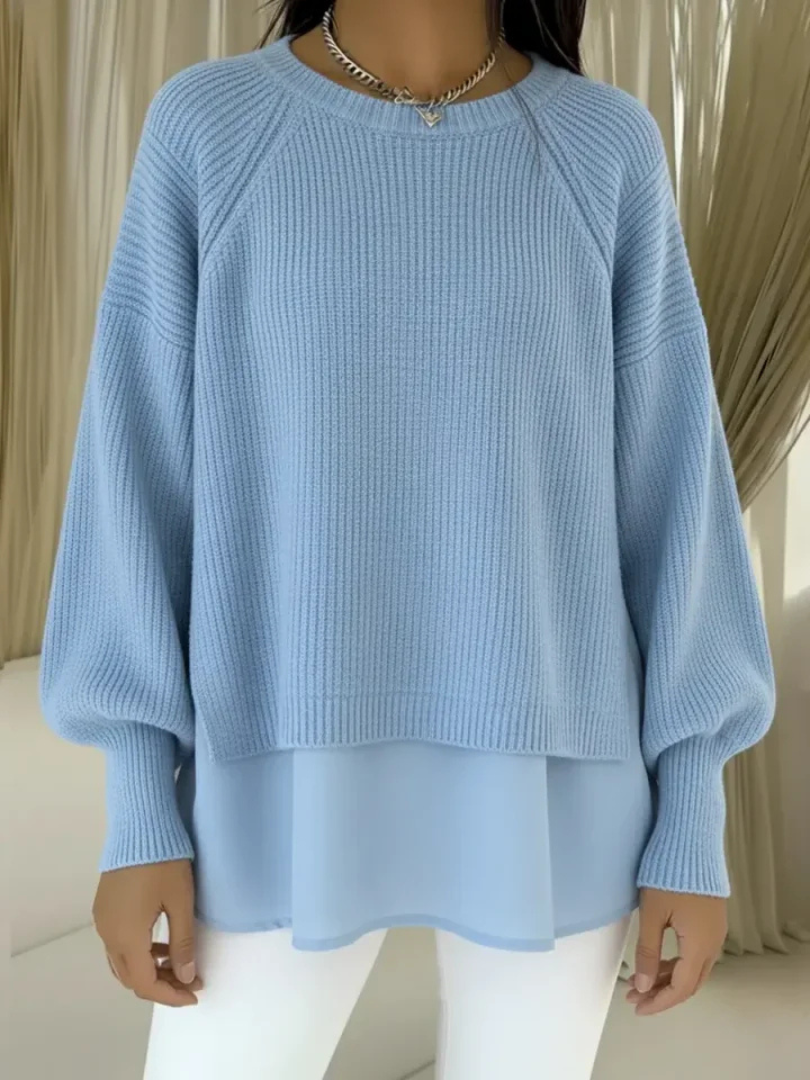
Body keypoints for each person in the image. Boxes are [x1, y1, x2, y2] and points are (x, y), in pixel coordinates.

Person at [38, 1, 777, 1077]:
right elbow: (133, 475)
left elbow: (675, 498)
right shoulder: (211, 128)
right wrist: (141, 804)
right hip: (275, 766)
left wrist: (693, 816)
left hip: (556, 779)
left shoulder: (601, 145)